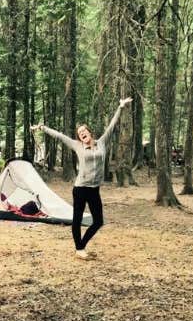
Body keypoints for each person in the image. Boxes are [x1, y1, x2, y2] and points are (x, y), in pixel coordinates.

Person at [32, 98, 132, 258]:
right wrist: (42, 128)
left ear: (90, 132)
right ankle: (79, 249)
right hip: (80, 188)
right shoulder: (77, 146)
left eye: (84, 131)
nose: (82, 133)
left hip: (94, 189)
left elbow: (112, 125)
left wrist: (120, 107)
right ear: (79, 137)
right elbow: (59, 136)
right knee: (77, 219)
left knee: (98, 221)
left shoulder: (102, 143)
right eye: (79, 133)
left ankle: (82, 245)